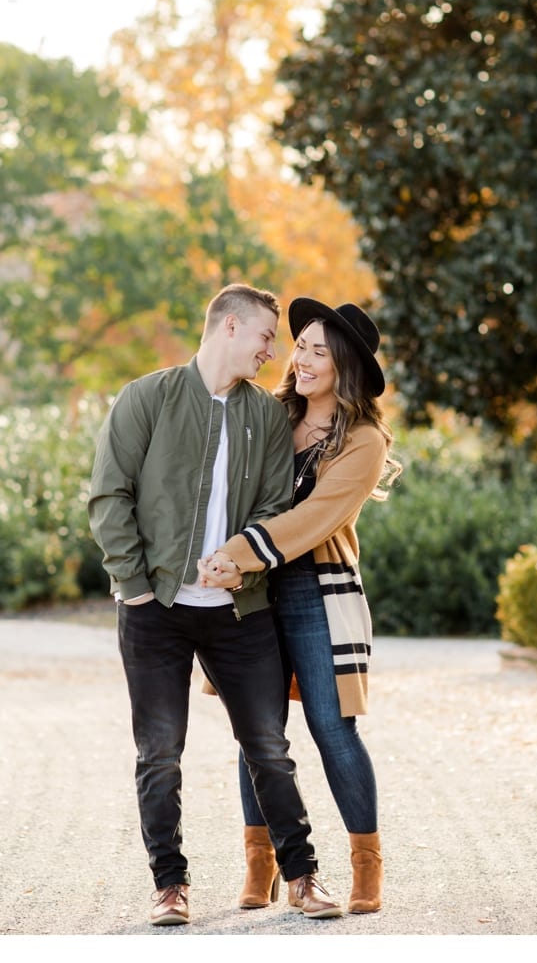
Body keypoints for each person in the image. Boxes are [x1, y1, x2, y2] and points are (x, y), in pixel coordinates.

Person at [88, 284, 345, 927]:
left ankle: (303, 877)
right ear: (229, 327)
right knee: (160, 752)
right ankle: (169, 886)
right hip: (155, 607)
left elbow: (273, 507)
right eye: (264, 336)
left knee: (267, 745)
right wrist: (136, 584)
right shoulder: (147, 397)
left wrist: (239, 559)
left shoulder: (264, 417)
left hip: (240, 609)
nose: (271, 351)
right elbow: (109, 495)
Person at [198, 298, 402, 916]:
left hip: (318, 592)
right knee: (257, 732)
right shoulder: (269, 413)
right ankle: (260, 866)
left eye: (321, 350)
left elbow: (315, 518)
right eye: (302, 346)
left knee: (332, 728)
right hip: (255, 593)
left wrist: (239, 550)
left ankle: (366, 865)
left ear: (346, 366)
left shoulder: (363, 441)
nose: (305, 359)